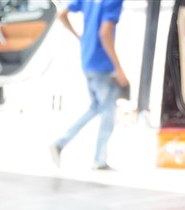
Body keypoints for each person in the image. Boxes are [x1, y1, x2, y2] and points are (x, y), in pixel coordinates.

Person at [49, 0, 129, 171]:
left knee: (96, 107)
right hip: (103, 63)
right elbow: (105, 32)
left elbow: (61, 14)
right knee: (107, 112)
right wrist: (118, 67)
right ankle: (99, 159)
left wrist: (80, 37)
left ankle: (61, 143)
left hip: (87, 59)